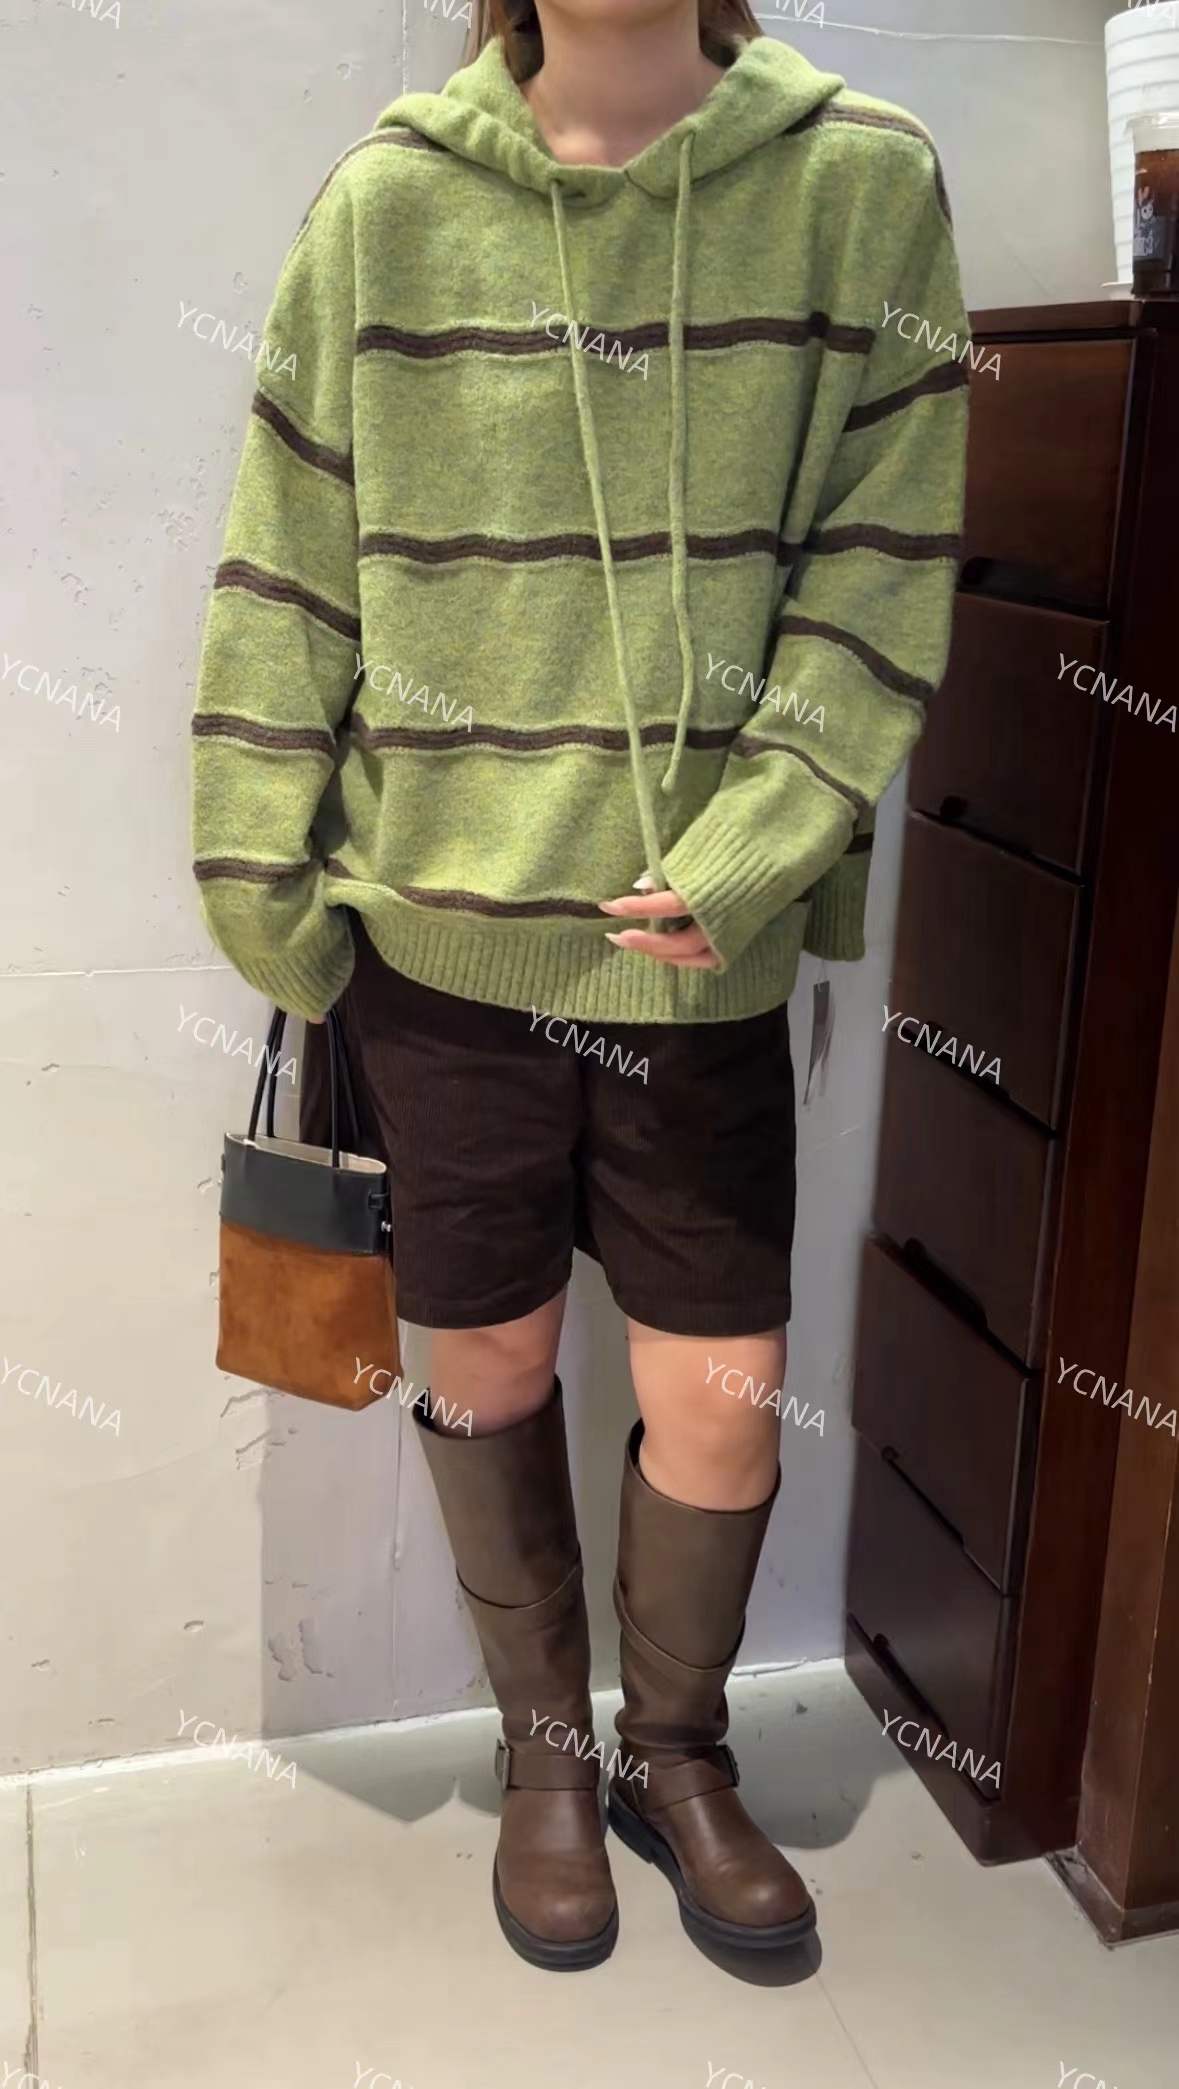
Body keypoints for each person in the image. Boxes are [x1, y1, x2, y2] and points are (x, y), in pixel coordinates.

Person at [190, 0, 969, 1973]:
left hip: (692, 968)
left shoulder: (856, 182)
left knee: (722, 1395)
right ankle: (549, 1752)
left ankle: (673, 1751)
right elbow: (288, 556)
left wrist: (760, 837)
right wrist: (262, 879)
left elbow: (882, 558)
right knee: (489, 1368)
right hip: (437, 954)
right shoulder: (387, 204)